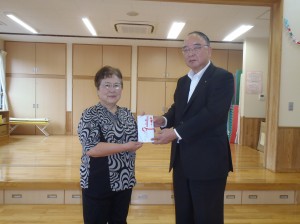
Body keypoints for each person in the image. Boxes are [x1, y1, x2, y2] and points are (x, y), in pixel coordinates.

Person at [152, 31, 234, 224]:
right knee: (183, 214)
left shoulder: (223, 78)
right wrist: (163, 120)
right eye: (186, 49)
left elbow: (212, 115)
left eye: (196, 47)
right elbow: (178, 110)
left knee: (207, 217)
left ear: (209, 50)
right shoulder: (183, 81)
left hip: (209, 163)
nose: (191, 53)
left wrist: (175, 133)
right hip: (182, 162)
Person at [78, 65, 143, 224]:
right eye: (106, 85)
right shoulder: (90, 114)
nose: (112, 90)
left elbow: (134, 139)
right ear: (98, 89)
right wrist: (125, 147)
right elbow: (91, 149)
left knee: (119, 221)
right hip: (98, 181)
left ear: (122, 88)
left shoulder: (126, 114)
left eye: (116, 85)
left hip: (124, 179)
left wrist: (145, 127)